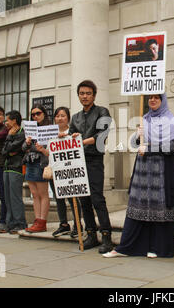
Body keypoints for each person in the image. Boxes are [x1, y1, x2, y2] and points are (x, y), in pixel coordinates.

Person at [103, 94, 174, 258]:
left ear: (163, 101)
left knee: (159, 207)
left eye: (157, 98)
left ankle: (157, 247)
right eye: (150, 98)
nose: (152, 100)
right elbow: (134, 144)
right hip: (143, 169)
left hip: (162, 171)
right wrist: (137, 134)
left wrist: (150, 148)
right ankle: (127, 247)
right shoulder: (145, 119)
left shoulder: (171, 121)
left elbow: (172, 146)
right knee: (137, 206)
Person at [68, 80, 113, 253]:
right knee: (83, 199)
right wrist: (69, 137)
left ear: (94, 95)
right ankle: (91, 235)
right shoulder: (76, 117)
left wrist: (82, 141)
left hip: (94, 160)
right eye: (81, 93)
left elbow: (103, 134)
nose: (85, 96)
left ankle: (106, 236)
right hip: (78, 161)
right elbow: (72, 136)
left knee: (97, 198)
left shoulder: (102, 111)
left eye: (88, 93)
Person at [47, 106, 83, 238]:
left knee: (72, 198)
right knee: (59, 199)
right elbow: (48, 152)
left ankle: (78, 225)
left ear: (68, 117)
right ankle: (63, 225)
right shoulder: (51, 133)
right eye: (57, 116)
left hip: (69, 170)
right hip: (55, 170)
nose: (60, 118)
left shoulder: (72, 131)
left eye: (62, 115)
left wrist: (69, 137)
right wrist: (40, 149)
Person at [23, 104, 51, 233]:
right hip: (30, 161)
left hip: (41, 163)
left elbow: (49, 148)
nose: (35, 116)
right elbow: (23, 148)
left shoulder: (49, 128)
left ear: (44, 113)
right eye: (33, 114)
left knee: (42, 193)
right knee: (34, 194)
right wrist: (27, 143)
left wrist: (34, 147)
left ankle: (42, 221)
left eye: (38, 113)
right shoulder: (30, 129)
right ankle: (37, 219)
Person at [2, 110, 27, 234]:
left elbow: (13, 148)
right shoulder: (9, 133)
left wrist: (10, 139)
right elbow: (4, 151)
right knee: (7, 198)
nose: (6, 123)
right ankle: (10, 223)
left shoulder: (22, 133)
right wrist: (9, 138)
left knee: (15, 197)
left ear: (14, 121)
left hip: (16, 168)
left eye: (7, 120)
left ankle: (20, 222)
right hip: (7, 167)